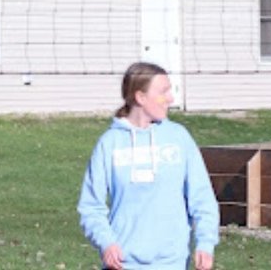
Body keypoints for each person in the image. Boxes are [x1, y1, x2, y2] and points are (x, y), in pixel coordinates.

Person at [78, 62, 220, 270]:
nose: (171, 98)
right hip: (124, 264)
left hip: (173, 263)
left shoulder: (179, 137)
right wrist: (106, 243)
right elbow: (91, 207)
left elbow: (203, 199)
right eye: (164, 92)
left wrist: (206, 243)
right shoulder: (109, 144)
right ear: (140, 97)